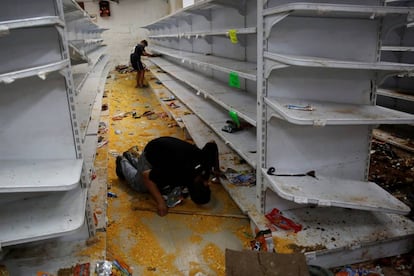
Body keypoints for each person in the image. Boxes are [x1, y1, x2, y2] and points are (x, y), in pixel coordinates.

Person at [115, 136, 221, 216]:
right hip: (151, 153)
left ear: (206, 183)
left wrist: (216, 170)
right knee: (140, 186)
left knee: (164, 185)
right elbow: (146, 176)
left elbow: (212, 144)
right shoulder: (177, 173)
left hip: (167, 151)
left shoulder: (205, 165)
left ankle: (131, 157)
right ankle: (122, 162)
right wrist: (161, 203)